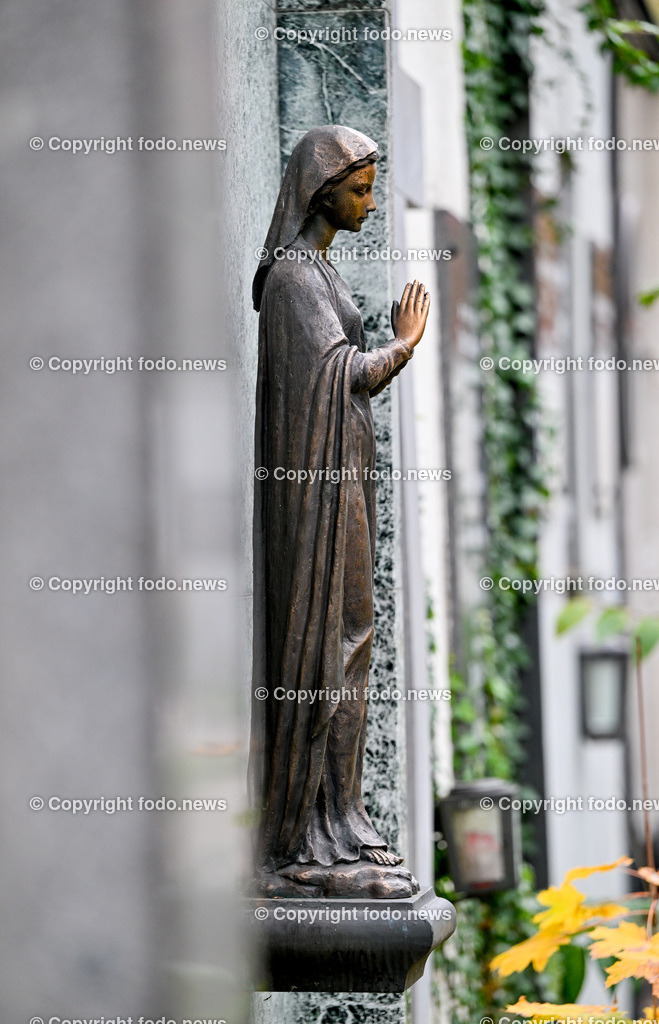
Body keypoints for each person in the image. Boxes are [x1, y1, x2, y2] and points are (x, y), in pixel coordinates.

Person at [251, 125, 430, 898]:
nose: (369, 203)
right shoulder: (293, 279)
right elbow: (340, 375)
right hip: (314, 495)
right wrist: (404, 345)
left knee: (353, 643)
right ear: (321, 192)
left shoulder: (319, 271)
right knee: (326, 650)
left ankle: (342, 817)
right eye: (359, 190)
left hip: (342, 480)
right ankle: (303, 836)